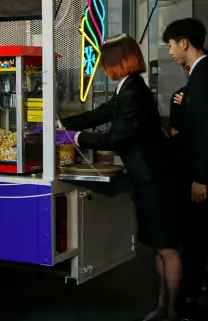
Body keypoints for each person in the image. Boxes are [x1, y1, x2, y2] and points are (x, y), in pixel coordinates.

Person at [61, 34, 181, 321]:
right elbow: (102, 113)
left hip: (156, 180)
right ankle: (163, 307)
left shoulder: (134, 92)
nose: (103, 68)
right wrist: (61, 123)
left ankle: (174, 310)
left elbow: (117, 138)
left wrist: (76, 137)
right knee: (158, 247)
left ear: (118, 62)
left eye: (105, 62)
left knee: (167, 248)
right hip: (148, 178)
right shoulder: (128, 87)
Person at [163, 18, 208, 320]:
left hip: (199, 176)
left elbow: (204, 131)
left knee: (195, 240)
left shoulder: (203, 76)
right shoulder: (197, 76)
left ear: (184, 43)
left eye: (170, 45)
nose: (170, 52)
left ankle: (190, 303)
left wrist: (201, 178)